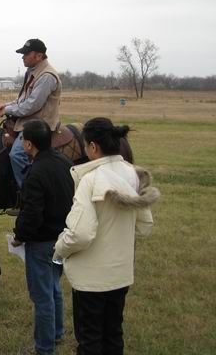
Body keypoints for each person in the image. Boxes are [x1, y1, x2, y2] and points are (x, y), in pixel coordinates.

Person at [54, 118, 160, 355]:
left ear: (93, 147)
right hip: (121, 274)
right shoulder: (133, 175)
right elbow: (144, 226)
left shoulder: (89, 180)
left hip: (91, 280)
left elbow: (80, 234)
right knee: (113, 335)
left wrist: (59, 249)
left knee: (90, 340)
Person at [11, 120, 74, 355]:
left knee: (42, 297)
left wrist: (19, 236)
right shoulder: (64, 162)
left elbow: (32, 215)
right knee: (54, 287)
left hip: (41, 244)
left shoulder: (35, 173)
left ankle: (44, 348)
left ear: (28, 144)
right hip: (62, 239)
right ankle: (57, 333)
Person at [0, 39, 62, 188]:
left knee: (17, 154)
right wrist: (5, 106)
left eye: (26, 54)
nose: (23, 57)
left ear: (39, 56)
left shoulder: (46, 76)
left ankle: (29, 192)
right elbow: (23, 100)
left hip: (40, 124)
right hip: (29, 121)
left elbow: (31, 106)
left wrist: (7, 110)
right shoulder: (33, 72)